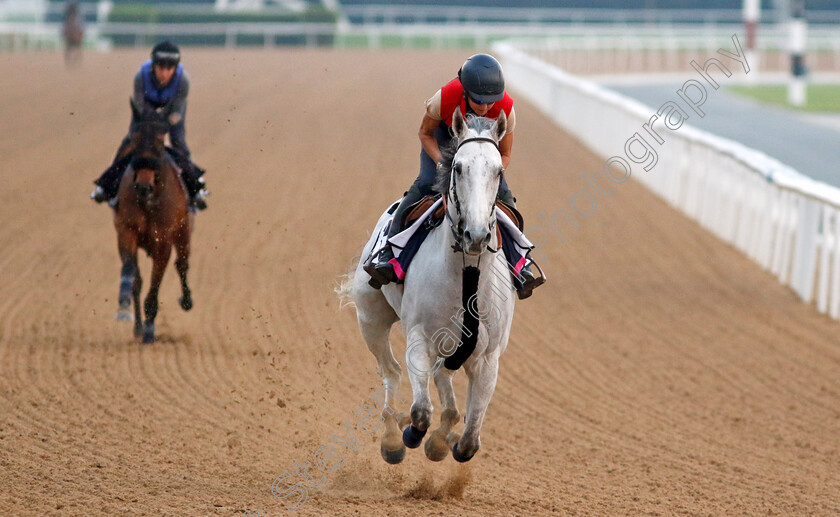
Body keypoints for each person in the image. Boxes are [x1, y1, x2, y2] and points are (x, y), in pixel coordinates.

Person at [364, 53, 543, 297]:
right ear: (465, 91)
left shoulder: (506, 109)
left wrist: (485, 173)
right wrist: (442, 164)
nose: (486, 106)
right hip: (442, 143)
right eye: (479, 101)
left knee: (507, 199)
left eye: (491, 101)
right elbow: (425, 132)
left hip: (484, 154)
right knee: (423, 185)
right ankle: (387, 255)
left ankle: (520, 264)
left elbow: (506, 155)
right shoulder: (446, 96)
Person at [91, 41, 208, 210]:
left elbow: (176, 112)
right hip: (144, 115)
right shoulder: (140, 77)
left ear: (175, 68)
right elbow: (139, 106)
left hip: (171, 115)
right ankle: (107, 185)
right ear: (153, 66)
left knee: (179, 142)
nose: (164, 73)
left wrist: (163, 124)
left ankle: (195, 187)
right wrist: (149, 125)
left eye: (169, 69)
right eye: (161, 68)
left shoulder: (183, 81)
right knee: (130, 141)